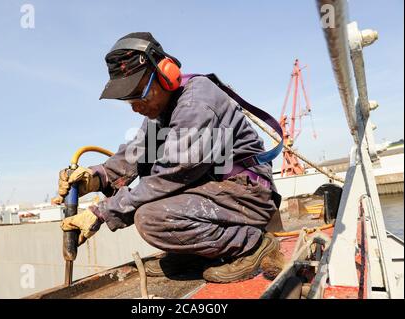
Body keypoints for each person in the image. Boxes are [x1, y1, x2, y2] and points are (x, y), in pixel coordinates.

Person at [54, 32, 284, 283]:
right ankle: (199, 253)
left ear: (166, 73)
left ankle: (251, 246)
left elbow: (171, 174)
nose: (134, 106)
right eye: (127, 99)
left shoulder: (196, 104)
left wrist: (102, 213)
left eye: (139, 93)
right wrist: (95, 177)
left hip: (246, 194)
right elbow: (135, 153)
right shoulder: (162, 111)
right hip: (216, 190)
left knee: (151, 218)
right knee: (148, 198)